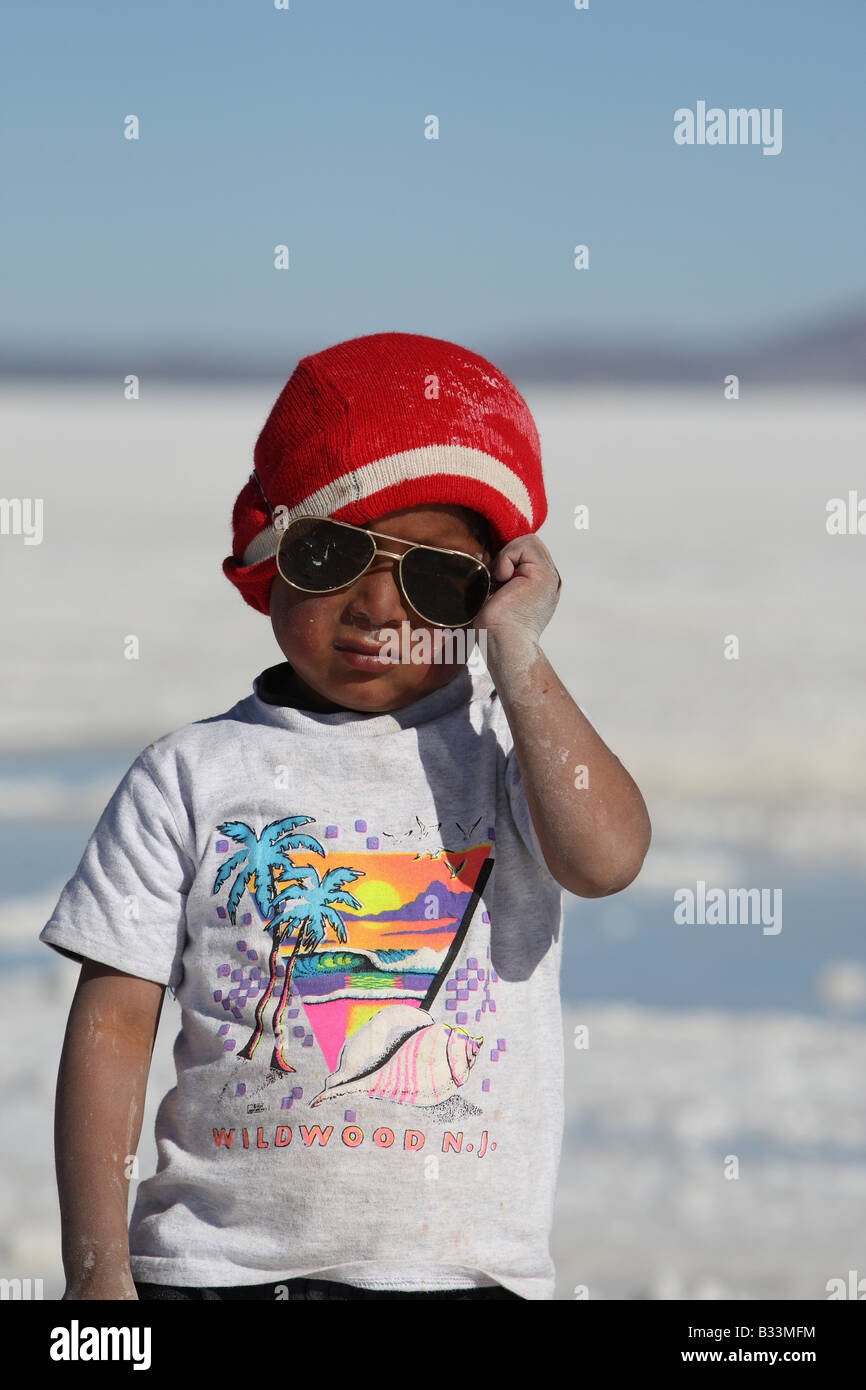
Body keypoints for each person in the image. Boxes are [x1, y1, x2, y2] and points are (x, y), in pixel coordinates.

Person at [40, 330, 651, 1301]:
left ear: (493, 587)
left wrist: (516, 653)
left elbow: (607, 855)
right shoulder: (190, 774)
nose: (375, 605)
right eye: (333, 553)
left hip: (463, 1279)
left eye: (435, 578)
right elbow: (114, 1027)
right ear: (271, 558)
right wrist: (95, 1276)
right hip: (215, 1278)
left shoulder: (510, 769)